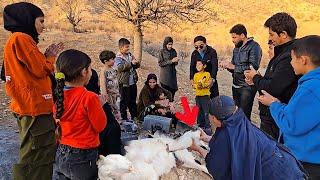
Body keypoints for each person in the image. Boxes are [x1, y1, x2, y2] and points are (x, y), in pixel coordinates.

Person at [3, 2, 63, 179]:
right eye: (41, 21)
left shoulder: (21, 40)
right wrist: (51, 57)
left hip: (33, 107)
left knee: (39, 152)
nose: (43, 26)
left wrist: (46, 57)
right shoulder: (21, 38)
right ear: (28, 20)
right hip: (34, 108)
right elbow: (39, 69)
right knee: (35, 155)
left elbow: (33, 68)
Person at [189, 96, 306, 180]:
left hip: (276, 175)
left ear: (214, 118)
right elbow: (233, 144)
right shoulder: (239, 122)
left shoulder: (226, 136)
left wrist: (197, 148)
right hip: (288, 165)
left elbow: (216, 165)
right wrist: (208, 138)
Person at [257, 35, 320, 179]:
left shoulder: (311, 88)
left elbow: (291, 124)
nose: (291, 63)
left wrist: (273, 104)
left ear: (303, 60)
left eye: (292, 58)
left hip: (307, 162)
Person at [244, 12, 300, 140]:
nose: (270, 39)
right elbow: (273, 80)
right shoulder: (281, 53)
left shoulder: (288, 57)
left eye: (271, 34)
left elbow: (272, 87)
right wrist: (257, 79)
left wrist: (255, 77)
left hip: (276, 118)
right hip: (271, 116)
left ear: (284, 35)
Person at [53, 49, 107, 179]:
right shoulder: (89, 97)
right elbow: (100, 126)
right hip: (83, 158)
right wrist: (99, 107)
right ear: (84, 72)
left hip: (61, 153)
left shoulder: (58, 96)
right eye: (90, 69)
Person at [220, 24, 262, 120]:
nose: (233, 40)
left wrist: (233, 66)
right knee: (237, 113)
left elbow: (253, 67)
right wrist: (227, 66)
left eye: (234, 37)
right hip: (236, 85)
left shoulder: (254, 47)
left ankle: (245, 134)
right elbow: (234, 67)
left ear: (242, 35)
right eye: (232, 37)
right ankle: (239, 133)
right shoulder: (236, 48)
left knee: (244, 115)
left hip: (247, 87)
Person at [115, 38, 140, 121]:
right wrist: (131, 64)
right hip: (124, 84)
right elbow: (119, 67)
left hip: (132, 82)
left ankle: (134, 117)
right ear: (121, 47)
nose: (128, 49)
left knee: (132, 101)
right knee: (124, 101)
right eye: (127, 47)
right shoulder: (118, 57)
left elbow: (136, 65)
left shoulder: (130, 55)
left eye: (129, 47)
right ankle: (124, 119)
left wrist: (136, 63)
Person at [99, 50, 121, 120]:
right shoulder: (104, 71)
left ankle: (117, 123)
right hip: (109, 96)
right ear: (105, 61)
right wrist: (105, 95)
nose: (114, 61)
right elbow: (103, 84)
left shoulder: (113, 69)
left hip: (115, 95)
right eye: (112, 59)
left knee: (116, 109)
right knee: (111, 111)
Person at [193, 60, 212, 134]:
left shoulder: (207, 74)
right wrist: (197, 86)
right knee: (199, 112)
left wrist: (203, 85)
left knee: (206, 112)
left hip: (205, 96)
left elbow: (208, 83)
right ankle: (199, 126)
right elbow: (194, 84)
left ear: (204, 66)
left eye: (200, 64)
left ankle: (207, 128)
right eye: (196, 64)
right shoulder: (196, 75)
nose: (198, 66)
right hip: (198, 96)